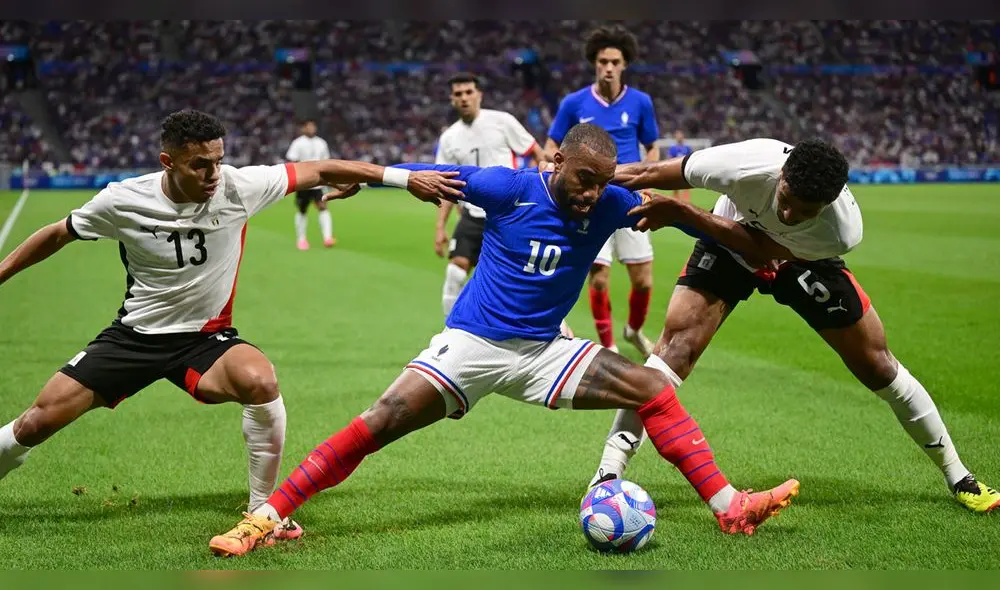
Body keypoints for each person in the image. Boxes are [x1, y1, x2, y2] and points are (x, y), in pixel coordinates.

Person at [208, 124, 799, 558]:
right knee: (380, 421)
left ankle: (730, 508)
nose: (593, 194)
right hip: (473, 344)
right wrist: (367, 179)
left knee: (652, 388)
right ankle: (266, 518)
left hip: (545, 350)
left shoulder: (614, 202)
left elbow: (683, 215)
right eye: (584, 179)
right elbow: (421, 176)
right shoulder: (506, 188)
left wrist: (698, 220)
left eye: (602, 184)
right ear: (557, 160)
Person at [0, 109, 465, 540]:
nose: (213, 174)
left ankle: (264, 510)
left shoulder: (239, 186)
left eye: (219, 161)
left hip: (205, 339)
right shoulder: (123, 200)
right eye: (200, 165)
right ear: (167, 162)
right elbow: (58, 233)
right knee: (37, 422)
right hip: (135, 336)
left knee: (259, 380)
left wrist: (405, 179)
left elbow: (321, 169)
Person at [586, 137, 1000, 513]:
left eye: (805, 212)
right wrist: (582, 177)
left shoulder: (842, 229)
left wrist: (682, 213)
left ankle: (958, 475)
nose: (788, 213)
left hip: (794, 258)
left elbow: (762, 250)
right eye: (786, 199)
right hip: (728, 243)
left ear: (828, 204)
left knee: (878, 364)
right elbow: (646, 172)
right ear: (781, 174)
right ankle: (607, 475)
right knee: (673, 351)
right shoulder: (746, 162)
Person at [545, 25, 661, 358]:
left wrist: (647, 177)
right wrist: (555, 167)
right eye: (602, 62)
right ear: (594, 64)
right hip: (589, 199)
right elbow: (552, 144)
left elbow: (652, 146)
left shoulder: (640, 102)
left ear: (625, 65)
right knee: (598, 277)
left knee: (643, 280)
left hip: (629, 196)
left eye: (614, 62)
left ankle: (633, 331)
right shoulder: (574, 103)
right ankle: (608, 345)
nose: (608, 68)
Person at [433, 72, 548, 317]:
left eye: (469, 92)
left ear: (479, 95)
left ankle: (543, 329)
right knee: (454, 273)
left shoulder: (502, 122)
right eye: (458, 94)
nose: (464, 98)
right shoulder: (449, 138)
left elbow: (537, 153)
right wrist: (440, 227)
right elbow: (445, 185)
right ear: (452, 99)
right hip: (472, 215)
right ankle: (450, 330)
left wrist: (538, 191)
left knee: (519, 280)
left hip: (509, 214)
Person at [285, 120, 335, 250]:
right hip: (303, 182)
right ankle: (301, 239)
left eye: (313, 126)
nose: (311, 128)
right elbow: (292, 160)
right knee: (302, 210)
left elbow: (326, 162)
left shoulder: (321, 142)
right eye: (309, 126)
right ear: (304, 128)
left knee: (323, 207)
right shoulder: (298, 143)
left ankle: (328, 237)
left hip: (318, 183)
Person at [667, 129, 693, 201]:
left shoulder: (687, 148)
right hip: (675, 170)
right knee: (675, 188)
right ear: (675, 137)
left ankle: (686, 202)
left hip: (685, 170)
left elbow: (691, 158)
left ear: (683, 136)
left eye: (680, 135)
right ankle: (676, 202)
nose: (679, 137)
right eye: (677, 135)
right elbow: (669, 159)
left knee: (687, 187)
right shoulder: (672, 148)